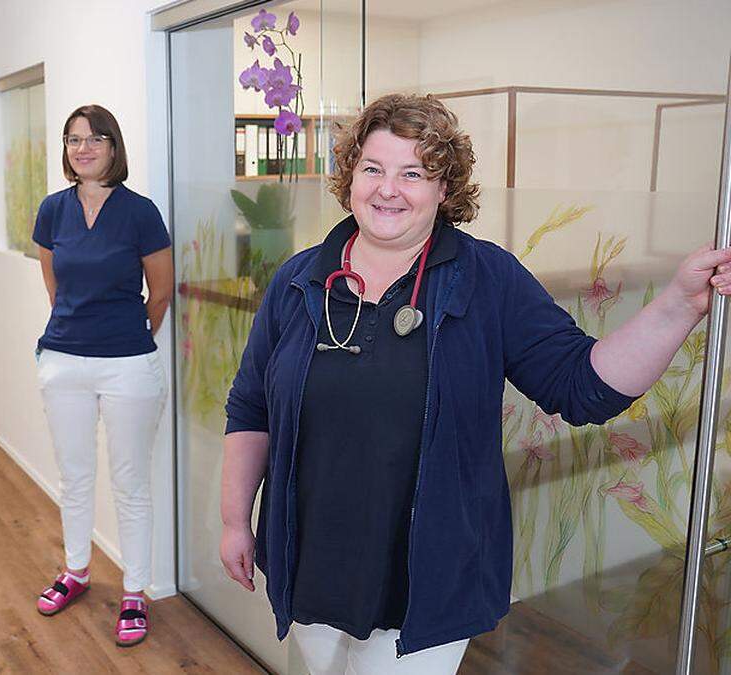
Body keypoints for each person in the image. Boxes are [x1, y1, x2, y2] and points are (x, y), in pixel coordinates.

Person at [218, 94, 731, 674]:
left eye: (414, 173)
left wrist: (679, 305)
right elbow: (252, 405)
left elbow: (583, 386)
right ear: (350, 177)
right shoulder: (299, 279)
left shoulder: (487, 279)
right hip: (314, 560)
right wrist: (237, 520)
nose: (389, 189)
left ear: (445, 189)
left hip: (427, 572)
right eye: (373, 169)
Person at [32, 104, 173, 647]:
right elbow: (55, 287)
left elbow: (159, 292)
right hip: (64, 360)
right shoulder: (52, 210)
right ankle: (76, 572)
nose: (82, 148)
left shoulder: (140, 212)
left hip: (128, 365)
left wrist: (126, 336)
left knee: (130, 482)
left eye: (93, 139)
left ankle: (135, 590)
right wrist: (73, 336)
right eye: (72, 140)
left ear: (113, 147)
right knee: (74, 477)